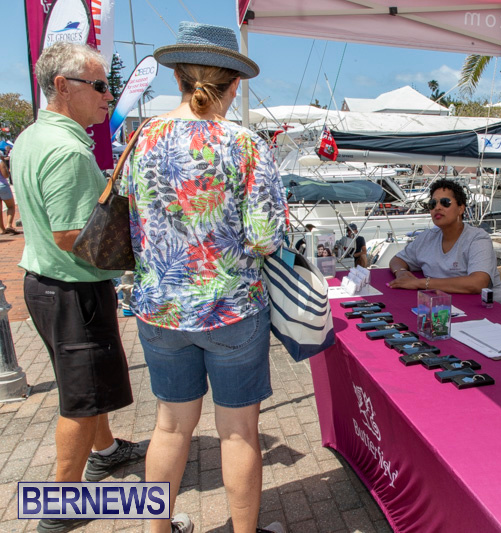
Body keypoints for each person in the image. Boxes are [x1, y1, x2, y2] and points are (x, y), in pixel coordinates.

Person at [119, 22, 286, 533]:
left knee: (170, 427)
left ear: (177, 78)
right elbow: (266, 238)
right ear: (233, 85)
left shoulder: (140, 138)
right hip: (232, 309)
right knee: (238, 433)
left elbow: (133, 217)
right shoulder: (245, 144)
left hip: (160, 309)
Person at [11, 42, 145, 533]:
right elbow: (71, 234)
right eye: (100, 85)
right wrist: (133, 258)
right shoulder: (66, 150)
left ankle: (104, 451)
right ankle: (60, 506)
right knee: (81, 401)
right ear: (62, 87)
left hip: (46, 284)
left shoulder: (33, 136)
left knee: (85, 386)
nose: (108, 95)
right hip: (74, 291)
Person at [388, 178, 501, 305]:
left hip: (487, 309)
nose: (437, 207)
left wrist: (420, 283)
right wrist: (401, 272)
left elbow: (477, 283)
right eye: (432, 204)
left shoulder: (478, 239)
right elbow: (397, 260)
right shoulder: (427, 237)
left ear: (461, 209)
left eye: (445, 202)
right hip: (445, 306)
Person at [0, 150, 18, 234]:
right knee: (10, 206)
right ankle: (9, 225)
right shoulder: (0, 162)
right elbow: (5, 175)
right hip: (2, 186)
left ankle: (2, 229)